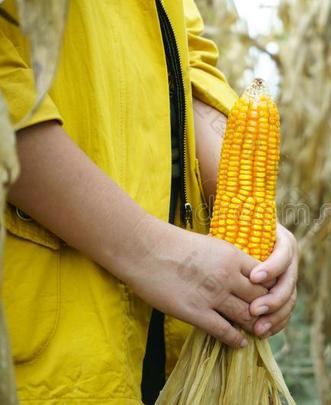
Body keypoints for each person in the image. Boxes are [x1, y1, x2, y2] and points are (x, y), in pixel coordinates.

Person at [0, 0, 298, 403]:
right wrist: (149, 250)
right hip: (53, 313)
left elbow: (184, 65)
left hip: (172, 323)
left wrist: (252, 217)